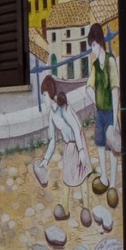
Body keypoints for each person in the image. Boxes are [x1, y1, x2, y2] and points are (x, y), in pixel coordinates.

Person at [35, 76, 93, 216]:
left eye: (44, 95)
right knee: (67, 176)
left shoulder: (64, 109)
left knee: (82, 174)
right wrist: (46, 160)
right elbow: (52, 140)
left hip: (78, 143)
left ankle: (86, 208)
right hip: (69, 146)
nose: (43, 99)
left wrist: (81, 151)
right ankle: (65, 208)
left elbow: (76, 128)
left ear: (49, 93)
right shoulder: (52, 115)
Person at [87, 23, 121, 196]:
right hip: (100, 112)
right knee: (100, 144)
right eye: (91, 46)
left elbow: (115, 90)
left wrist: (115, 122)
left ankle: (113, 184)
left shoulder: (110, 62)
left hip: (110, 113)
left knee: (112, 147)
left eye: (93, 45)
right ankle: (105, 179)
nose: (92, 49)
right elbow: (88, 87)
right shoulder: (95, 66)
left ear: (99, 43)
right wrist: (96, 102)